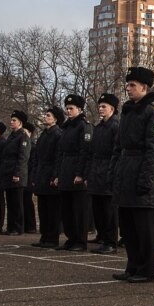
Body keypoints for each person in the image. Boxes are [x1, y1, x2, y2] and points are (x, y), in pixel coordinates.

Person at [111, 67, 154, 283]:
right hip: (125, 171)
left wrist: (147, 179)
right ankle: (132, 266)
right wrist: (114, 173)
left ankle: (146, 270)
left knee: (144, 227)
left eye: (132, 85)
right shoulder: (127, 110)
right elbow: (119, 146)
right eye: (127, 84)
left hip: (142, 173)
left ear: (144, 87)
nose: (128, 88)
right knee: (128, 226)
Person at [55, 94, 92, 251]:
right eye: (67, 108)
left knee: (78, 210)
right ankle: (71, 238)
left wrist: (80, 174)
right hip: (65, 170)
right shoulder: (66, 127)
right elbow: (60, 152)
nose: (68, 111)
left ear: (80, 109)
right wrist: (57, 174)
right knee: (67, 209)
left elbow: (85, 151)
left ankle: (80, 240)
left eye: (71, 108)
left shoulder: (84, 126)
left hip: (76, 169)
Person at [89, 93, 120, 254]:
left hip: (108, 170)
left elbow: (116, 152)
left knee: (109, 211)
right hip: (96, 171)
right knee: (98, 208)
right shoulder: (99, 127)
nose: (100, 109)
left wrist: (111, 173)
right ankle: (101, 236)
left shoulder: (115, 126)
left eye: (104, 106)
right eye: (100, 106)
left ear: (112, 109)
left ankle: (110, 241)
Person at [30, 106, 64, 248]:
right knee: (43, 208)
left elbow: (58, 157)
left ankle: (52, 237)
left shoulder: (58, 134)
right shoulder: (43, 135)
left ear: (55, 119)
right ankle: (44, 236)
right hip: (41, 174)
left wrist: (55, 175)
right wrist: (34, 175)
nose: (45, 117)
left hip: (51, 174)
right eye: (45, 115)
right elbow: (37, 158)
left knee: (52, 209)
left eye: (48, 115)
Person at [0, 111, 30, 235]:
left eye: (14, 120)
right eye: (11, 120)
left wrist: (17, 173)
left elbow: (23, 157)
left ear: (20, 123)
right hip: (8, 172)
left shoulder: (23, 137)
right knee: (10, 202)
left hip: (16, 173)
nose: (11, 122)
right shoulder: (11, 136)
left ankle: (17, 227)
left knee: (17, 203)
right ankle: (11, 227)